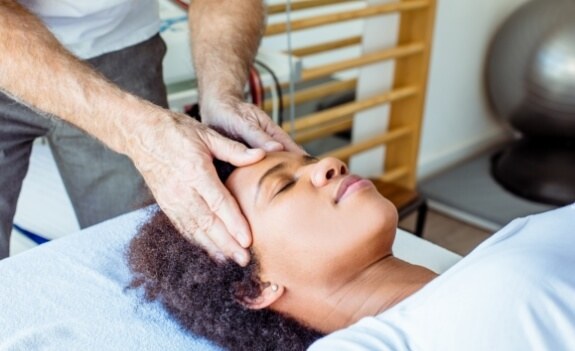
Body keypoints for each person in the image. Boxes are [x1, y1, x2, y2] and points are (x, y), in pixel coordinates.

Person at [128, 151, 575, 351]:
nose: (329, 164)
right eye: (283, 187)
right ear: (255, 287)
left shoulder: (486, 259)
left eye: (307, 162)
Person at [0, 0, 301, 262]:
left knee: (133, 244)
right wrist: (137, 130)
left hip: (121, 44)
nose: (331, 167)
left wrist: (221, 94)